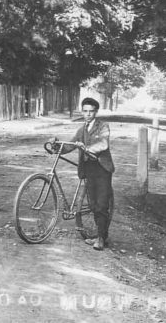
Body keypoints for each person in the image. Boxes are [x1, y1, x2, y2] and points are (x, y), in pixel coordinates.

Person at [51, 97, 114, 250]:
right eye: (85, 111)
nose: (88, 114)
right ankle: (99, 236)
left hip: (102, 169)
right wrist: (56, 144)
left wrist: (86, 148)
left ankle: (101, 238)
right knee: (93, 205)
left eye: (91, 111)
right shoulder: (81, 129)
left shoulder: (103, 126)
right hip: (88, 169)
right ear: (82, 112)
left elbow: (103, 144)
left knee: (101, 205)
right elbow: (70, 146)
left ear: (96, 112)